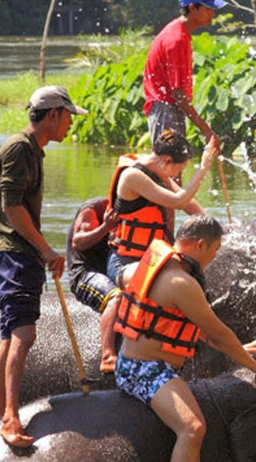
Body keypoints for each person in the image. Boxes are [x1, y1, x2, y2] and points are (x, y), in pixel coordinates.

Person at [114, 215, 256, 462]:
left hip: (132, 362)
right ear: (201, 244)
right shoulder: (182, 282)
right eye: (215, 249)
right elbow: (217, 334)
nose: (215, 257)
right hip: (146, 370)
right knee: (193, 429)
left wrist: (240, 349)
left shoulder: (150, 264)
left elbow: (179, 322)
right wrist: (254, 365)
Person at [0, 85, 87, 448]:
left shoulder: (34, 151)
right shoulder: (19, 148)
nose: (70, 126)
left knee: (8, 338)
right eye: (68, 118)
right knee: (23, 335)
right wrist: (46, 250)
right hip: (14, 254)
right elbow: (12, 207)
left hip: (17, 254)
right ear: (52, 115)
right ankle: (11, 417)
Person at [106, 129, 219, 283]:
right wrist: (203, 168)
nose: (176, 175)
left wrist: (216, 230)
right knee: (173, 282)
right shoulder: (132, 176)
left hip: (151, 258)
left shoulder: (160, 173)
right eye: (179, 169)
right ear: (167, 160)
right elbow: (178, 201)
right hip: (124, 263)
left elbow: (189, 205)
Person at [143, 0, 227, 146]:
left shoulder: (179, 32)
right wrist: (206, 130)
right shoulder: (176, 40)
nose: (212, 14)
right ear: (192, 7)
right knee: (168, 164)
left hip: (169, 108)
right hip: (165, 110)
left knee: (173, 165)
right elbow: (178, 93)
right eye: (208, 9)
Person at [66, 196, 121, 374]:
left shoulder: (142, 215)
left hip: (110, 274)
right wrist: (106, 226)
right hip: (85, 274)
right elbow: (78, 241)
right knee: (116, 297)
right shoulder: (96, 208)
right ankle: (107, 356)